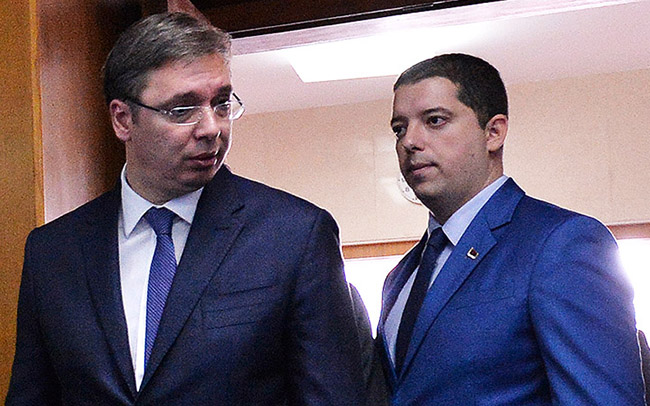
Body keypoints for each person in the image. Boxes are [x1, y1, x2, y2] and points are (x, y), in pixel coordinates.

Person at [6, 12, 367, 405]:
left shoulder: (294, 235)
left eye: (222, 104)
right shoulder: (53, 252)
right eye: (182, 110)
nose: (211, 128)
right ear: (123, 119)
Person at [376, 53, 645, 405]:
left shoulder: (561, 243)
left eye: (435, 120)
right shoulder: (401, 276)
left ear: (494, 133)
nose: (409, 141)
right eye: (399, 128)